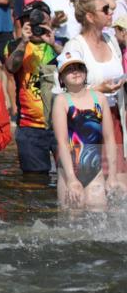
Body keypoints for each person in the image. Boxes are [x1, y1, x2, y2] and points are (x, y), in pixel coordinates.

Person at [64, 0, 127, 183]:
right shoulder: (75, 47)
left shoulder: (112, 41)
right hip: (87, 123)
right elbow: (65, 94)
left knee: (119, 185)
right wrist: (98, 89)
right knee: (92, 187)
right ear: (90, 17)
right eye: (105, 10)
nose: (111, 13)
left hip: (115, 117)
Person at [52, 49, 121, 209]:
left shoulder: (100, 98)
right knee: (72, 219)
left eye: (79, 67)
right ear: (62, 78)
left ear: (85, 72)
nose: (75, 72)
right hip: (69, 170)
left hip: (94, 170)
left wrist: (112, 175)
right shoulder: (62, 101)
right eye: (69, 69)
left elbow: (110, 139)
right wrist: (71, 179)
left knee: (98, 214)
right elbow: (62, 142)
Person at [4, 1, 61, 177]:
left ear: (48, 20)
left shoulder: (63, 45)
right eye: (28, 22)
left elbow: (79, 71)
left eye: (38, 21)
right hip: (29, 128)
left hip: (62, 124)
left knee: (71, 177)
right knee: (34, 184)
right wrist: (23, 42)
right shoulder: (15, 45)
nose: (35, 26)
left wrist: (54, 44)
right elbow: (11, 67)